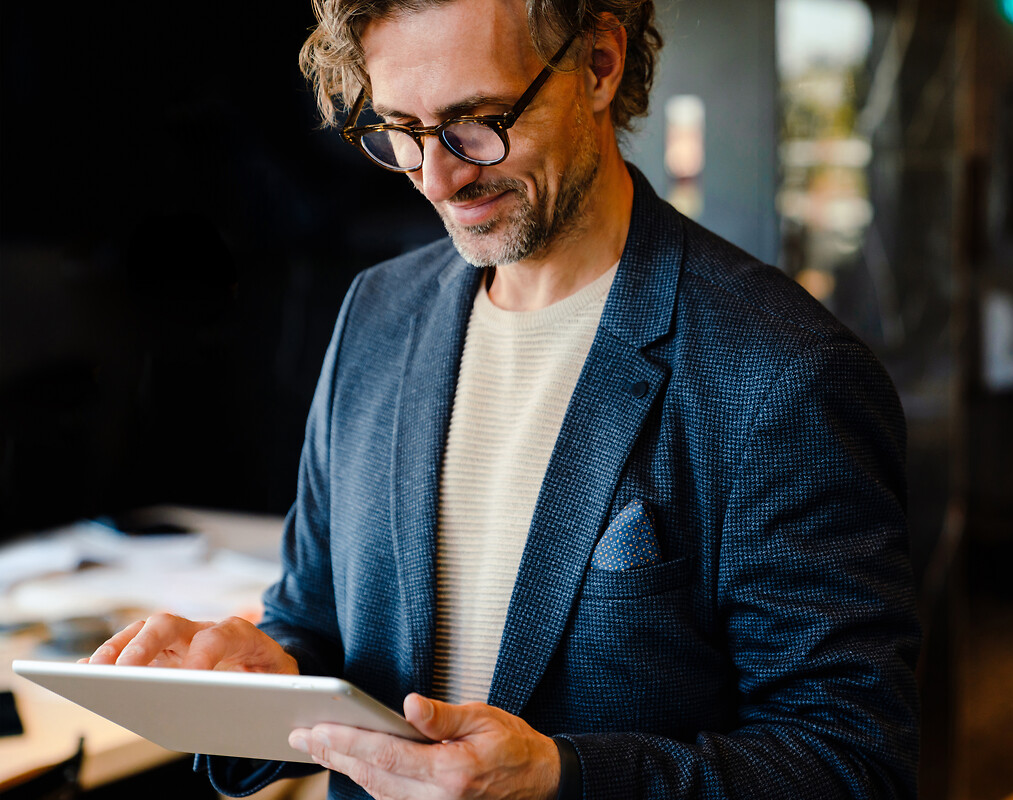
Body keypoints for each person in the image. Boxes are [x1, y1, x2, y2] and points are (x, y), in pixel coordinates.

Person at [86, 0, 921, 797]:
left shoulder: (785, 372)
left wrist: (564, 779)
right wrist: (262, 674)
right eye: (399, 132)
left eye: (475, 119)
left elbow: (850, 761)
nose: (438, 177)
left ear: (599, 63)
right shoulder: (377, 316)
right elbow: (314, 620)